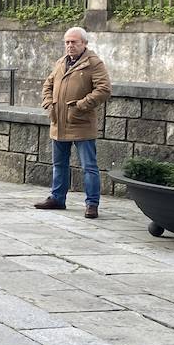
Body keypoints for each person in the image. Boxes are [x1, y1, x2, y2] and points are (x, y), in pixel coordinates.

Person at [36, 26, 112, 219]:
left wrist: (80, 105)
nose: (70, 46)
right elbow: (48, 84)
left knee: (89, 167)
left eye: (74, 42)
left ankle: (92, 204)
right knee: (59, 164)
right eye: (67, 42)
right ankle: (57, 198)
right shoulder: (61, 62)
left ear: (84, 43)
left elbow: (103, 89)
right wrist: (48, 102)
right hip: (59, 122)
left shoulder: (94, 63)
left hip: (81, 122)